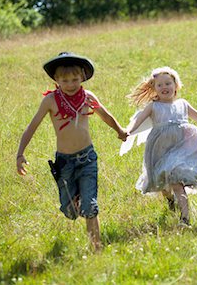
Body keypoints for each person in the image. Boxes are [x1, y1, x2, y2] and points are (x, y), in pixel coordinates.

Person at [16, 52, 127, 251]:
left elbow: (105, 115)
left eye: (75, 79)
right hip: (64, 162)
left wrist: (120, 131)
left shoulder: (88, 97)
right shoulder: (50, 100)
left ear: (82, 77)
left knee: (90, 207)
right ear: (56, 80)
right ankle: (75, 201)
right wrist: (20, 153)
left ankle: (96, 249)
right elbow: (32, 126)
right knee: (70, 211)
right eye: (64, 80)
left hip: (87, 159)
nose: (70, 84)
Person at [122, 66, 197, 227]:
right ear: (154, 88)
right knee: (162, 181)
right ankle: (169, 200)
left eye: (168, 83)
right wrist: (127, 131)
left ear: (176, 85)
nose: (164, 87)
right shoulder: (153, 106)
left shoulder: (183, 104)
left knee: (176, 180)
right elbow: (137, 121)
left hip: (180, 149)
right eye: (159, 85)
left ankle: (185, 219)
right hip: (159, 149)